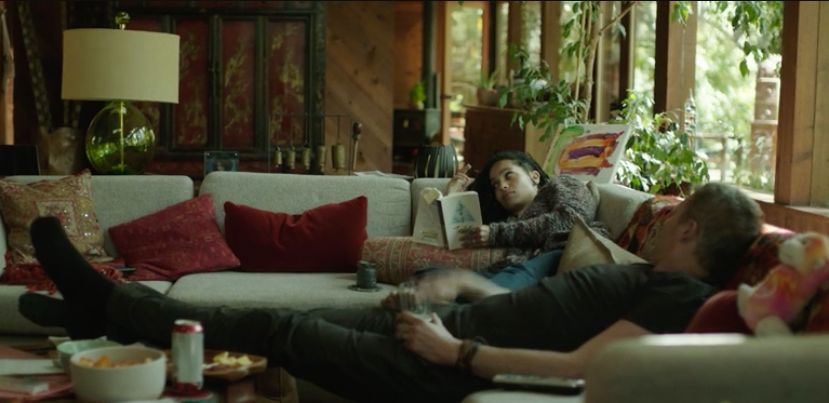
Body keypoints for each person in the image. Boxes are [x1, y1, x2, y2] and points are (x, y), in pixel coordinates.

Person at [19, 182, 762, 403]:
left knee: (282, 331)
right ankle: (95, 313)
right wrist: (460, 287)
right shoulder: (654, 279)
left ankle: (101, 301)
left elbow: (589, 368)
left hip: (443, 367)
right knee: (272, 317)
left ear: (691, 228)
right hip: (445, 329)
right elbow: (552, 315)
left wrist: (457, 350)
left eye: (673, 220)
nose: (660, 228)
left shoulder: (676, 298)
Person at [422, 150, 607, 298]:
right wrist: (453, 195)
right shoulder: (507, 221)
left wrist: (496, 234)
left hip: (554, 258)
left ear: (534, 177)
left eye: (509, 176)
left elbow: (570, 220)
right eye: (495, 185)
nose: (502, 186)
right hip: (510, 270)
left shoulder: (563, 184)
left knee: (485, 290)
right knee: (427, 276)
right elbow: (455, 236)